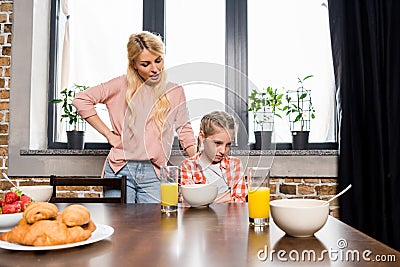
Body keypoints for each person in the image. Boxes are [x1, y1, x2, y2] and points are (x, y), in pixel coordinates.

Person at [72, 31, 197, 203]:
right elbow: (81, 100)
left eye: (158, 60)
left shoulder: (174, 91)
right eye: (146, 64)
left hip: (154, 172)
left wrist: (197, 158)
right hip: (119, 169)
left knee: (152, 228)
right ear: (134, 65)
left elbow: (185, 130)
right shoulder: (120, 85)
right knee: (121, 228)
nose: (155, 69)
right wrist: (109, 135)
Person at [181, 111, 247, 203]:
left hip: (229, 217)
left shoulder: (234, 164)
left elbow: (240, 200)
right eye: (217, 143)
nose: (223, 151)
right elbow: (186, 204)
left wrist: (200, 198)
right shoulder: (189, 165)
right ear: (202, 137)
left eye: (228, 144)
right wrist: (227, 196)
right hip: (200, 217)